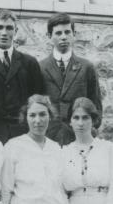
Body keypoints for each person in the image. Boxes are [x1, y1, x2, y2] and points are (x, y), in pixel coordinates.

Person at [0, 10, 44, 144]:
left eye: (9, 28)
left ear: (16, 30)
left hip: (23, 133)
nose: (4, 33)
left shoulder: (29, 63)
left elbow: (38, 98)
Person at [39, 13, 102, 146]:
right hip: (49, 137)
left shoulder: (86, 67)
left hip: (79, 136)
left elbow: (96, 106)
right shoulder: (40, 68)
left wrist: (90, 131)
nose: (63, 37)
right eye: (58, 33)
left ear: (74, 34)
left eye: (67, 32)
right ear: (49, 36)